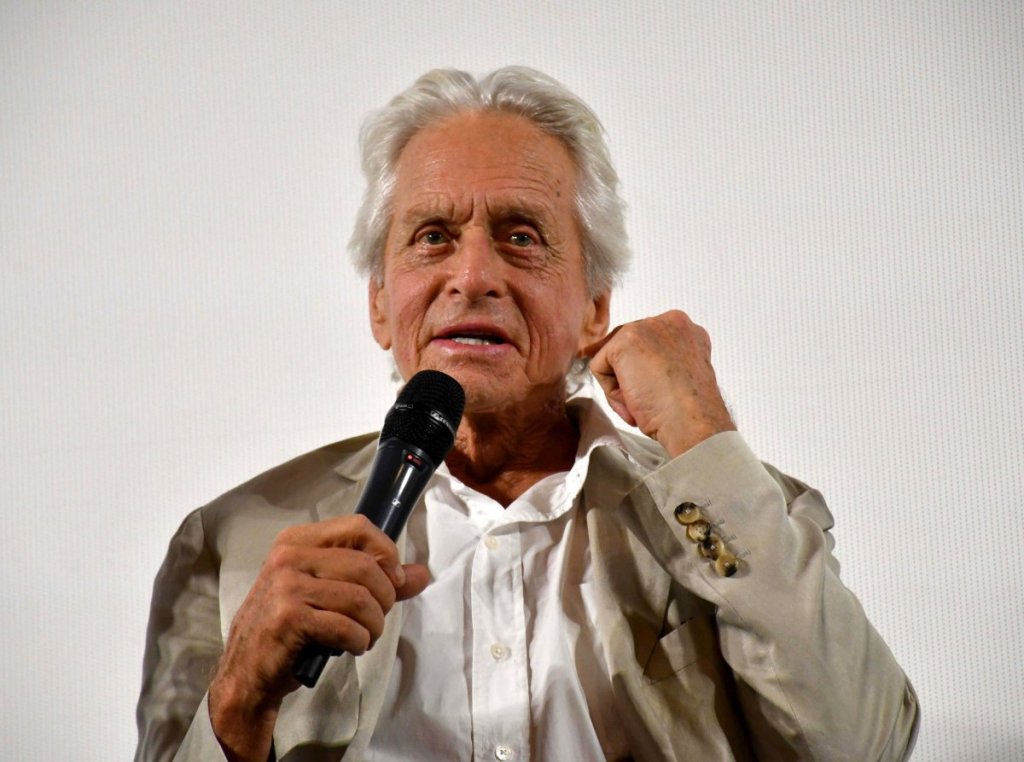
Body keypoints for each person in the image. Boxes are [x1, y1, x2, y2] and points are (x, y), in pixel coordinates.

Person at [135, 66, 919, 761]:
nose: (474, 275)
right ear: (379, 304)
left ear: (594, 307)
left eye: (521, 236)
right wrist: (238, 705)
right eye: (432, 237)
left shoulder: (743, 512)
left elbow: (868, 745)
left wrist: (701, 433)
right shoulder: (233, 543)